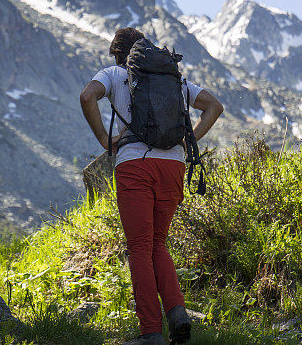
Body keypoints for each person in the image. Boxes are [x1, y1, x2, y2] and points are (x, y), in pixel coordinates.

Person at [79, 27, 224, 345]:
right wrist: (187, 142)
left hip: (136, 166)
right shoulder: (172, 77)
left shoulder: (115, 74)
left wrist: (105, 140)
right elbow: (214, 106)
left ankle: (150, 333)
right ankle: (178, 315)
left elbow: (87, 96)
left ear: (118, 54)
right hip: (173, 166)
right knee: (158, 243)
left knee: (140, 248)